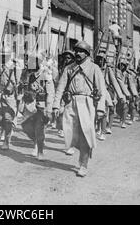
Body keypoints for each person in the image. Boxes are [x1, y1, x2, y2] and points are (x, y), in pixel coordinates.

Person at [52, 41, 106, 177]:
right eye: (76, 51)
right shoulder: (69, 68)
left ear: (87, 54)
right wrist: (56, 105)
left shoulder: (94, 68)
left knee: (86, 135)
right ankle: (79, 154)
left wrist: (100, 108)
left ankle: (83, 164)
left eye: (81, 51)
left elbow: (101, 90)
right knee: (70, 133)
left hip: (87, 103)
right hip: (71, 103)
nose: (77, 53)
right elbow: (60, 87)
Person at [18, 51, 54, 161]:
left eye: (35, 61)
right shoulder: (31, 75)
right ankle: (37, 142)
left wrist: (49, 108)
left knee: (39, 128)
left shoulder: (45, 74)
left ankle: (40, 150)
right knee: (26, 126)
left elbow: (50, 93)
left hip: (41, 105)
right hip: (31, 106)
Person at [0, 47, 21, 150]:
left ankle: (7, 140)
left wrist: (16, 93)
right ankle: (4, 131)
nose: (3, 57)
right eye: (2, 55)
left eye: (5, 55)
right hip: (1, 95)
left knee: (8, 118)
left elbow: (19, 83)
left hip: (11, 97)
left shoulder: (15, 66)